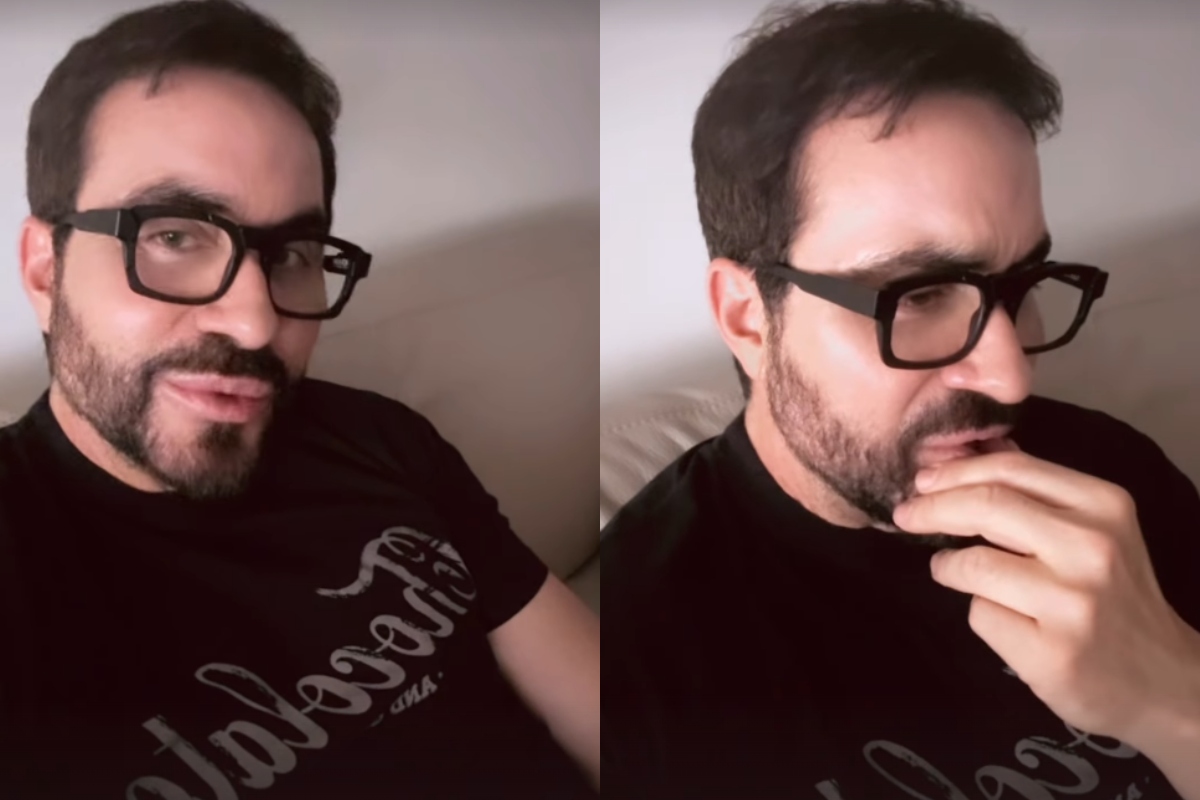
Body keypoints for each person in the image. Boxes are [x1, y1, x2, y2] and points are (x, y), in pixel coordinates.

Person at [601, 1, 1200, 797]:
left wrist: (1173, 701)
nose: (1012, 378)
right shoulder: (633, 647)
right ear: (748, 318)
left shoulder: (1109, 478)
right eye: (919, 295)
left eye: (1023, 283)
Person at [0, 1, 599, 796]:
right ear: (46, 272)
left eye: (295, 252)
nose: (256, 323)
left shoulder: (378, 438)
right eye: (174, 235)